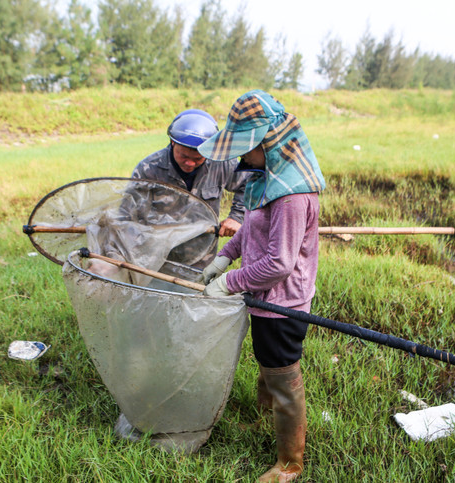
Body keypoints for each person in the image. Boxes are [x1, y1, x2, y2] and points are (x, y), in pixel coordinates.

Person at [198, 90, 325, 483]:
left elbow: (280, 262)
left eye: (245, 148)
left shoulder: (290, 194)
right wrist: (224, 256)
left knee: (283, 377)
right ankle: (262, 419)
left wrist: (229, 283)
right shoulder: (266, 179)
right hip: (262, 296)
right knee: (267, 364)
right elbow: (252, 232)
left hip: (282, 304)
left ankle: (290, 463)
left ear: (266, 142)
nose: (240, 158)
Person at [132, 109, 248, 239]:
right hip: (159, 252)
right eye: (183, 156)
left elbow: (249, 184)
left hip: (203, 252)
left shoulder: (221, 164)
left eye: (198, 159)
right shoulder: (149, 169)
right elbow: (130, 215)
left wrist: (237, 217)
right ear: (172, 142)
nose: (190, 163)